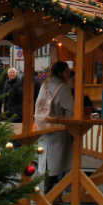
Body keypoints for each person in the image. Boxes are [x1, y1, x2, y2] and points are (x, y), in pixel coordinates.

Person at [34, 61, 74, 197]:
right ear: (61, 73)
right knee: (57, 161)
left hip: (42, 124)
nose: (69, 74)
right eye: (67, 72)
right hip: (57, 128)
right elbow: (70, 109)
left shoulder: (45, 84)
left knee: (46, 159)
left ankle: (49, 191)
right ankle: (54, 193)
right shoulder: (63, 87)